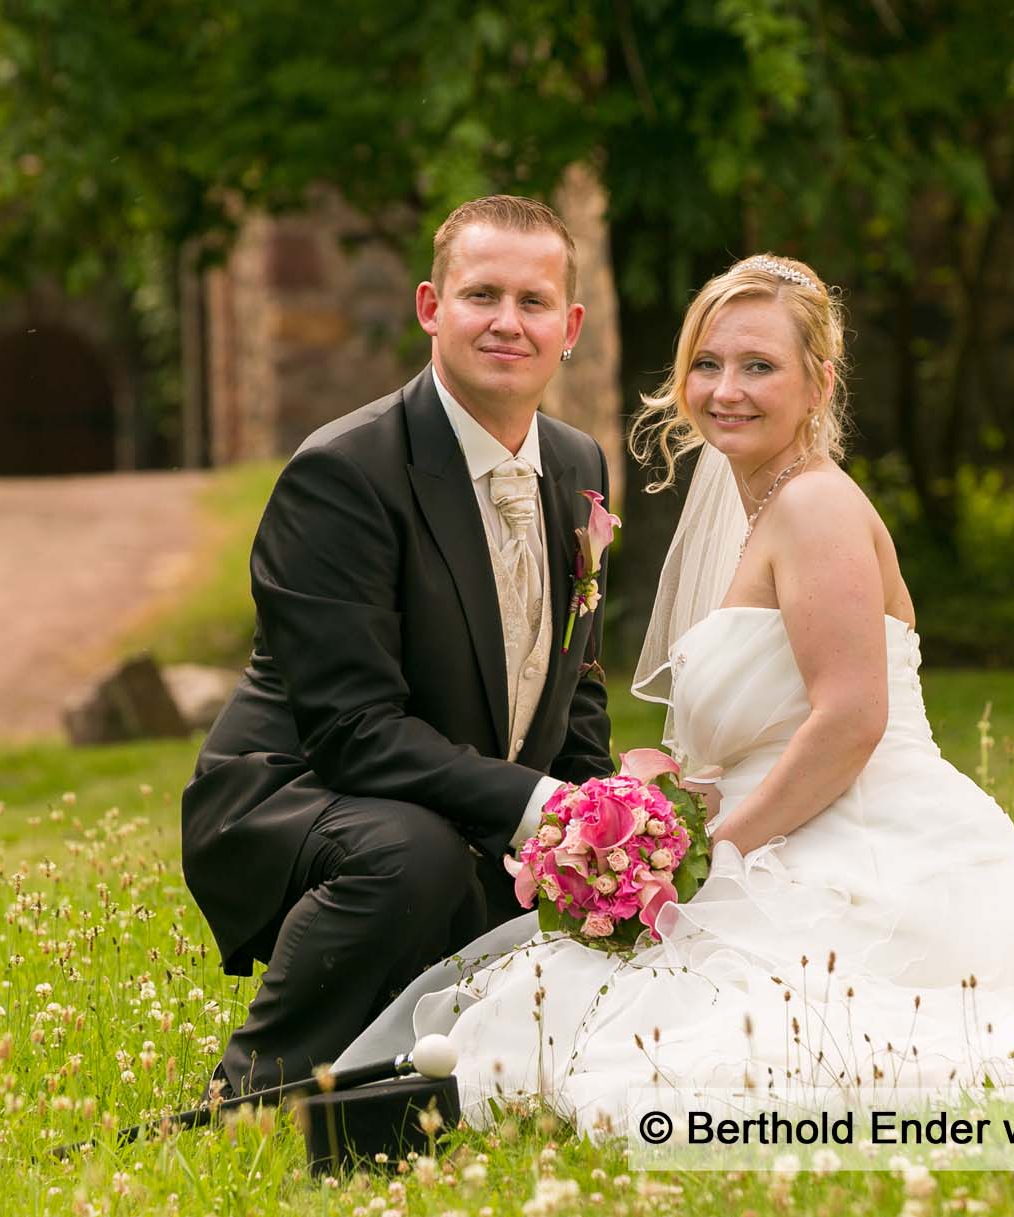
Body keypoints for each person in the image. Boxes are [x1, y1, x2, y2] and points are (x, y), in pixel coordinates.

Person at [341, 253, 1014, 1133]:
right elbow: (740, 723)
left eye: (759, 366)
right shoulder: (746, 511)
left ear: (817, 383)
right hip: (780, 819)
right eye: (707, 362)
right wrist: (654, 791)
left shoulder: (814, 509)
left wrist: (708, 855)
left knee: (737, 1050)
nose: (725, 389)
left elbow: (850, 718)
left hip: (856, 831)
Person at [181, 195, 616, 1098]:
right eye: (480, 295)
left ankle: (407, 1080)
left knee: (590, 888)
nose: (507, 322)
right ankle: (255, 1088)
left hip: (454, 793)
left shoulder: (579, 466)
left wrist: (598, 822)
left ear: (569, 325)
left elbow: (572, 686)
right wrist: (538, 808)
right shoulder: (344, 473)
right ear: (430, 306)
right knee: (412, 853)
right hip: (296, 789)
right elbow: (352, 730)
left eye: (534, 302)